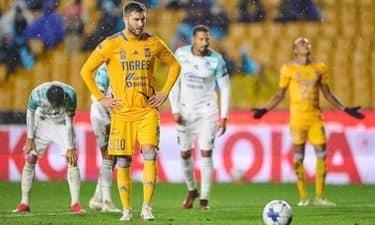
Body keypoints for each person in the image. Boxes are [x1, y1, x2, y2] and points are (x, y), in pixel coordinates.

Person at [80, 1, 181, 221]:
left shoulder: (153, 42)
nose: (141, 23)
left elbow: (175, 65)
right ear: (125, 19)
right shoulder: (111, 44)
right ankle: (126, 210)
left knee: (149, 154)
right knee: (124, 161)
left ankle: (146, 207)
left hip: (147, 111)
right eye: (136, 19)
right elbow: (86, 70)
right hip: (122, 113)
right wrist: (101, 98)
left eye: (143, 18)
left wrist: (164, 92)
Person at [252, 37, 364, 207]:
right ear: (294, 49)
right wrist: (265, 109)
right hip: (297, 120)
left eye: (307, 43)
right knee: (298, 159)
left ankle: (320, 197)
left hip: (315, 119)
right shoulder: (288, 69)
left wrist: (345, 109)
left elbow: (327, 93)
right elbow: (280, 94)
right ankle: (303, 197)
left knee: (322, 156)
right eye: (301, 43)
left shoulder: (319, 68)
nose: (305, 45)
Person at [169, 25, 231, 210]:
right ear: (193, 40)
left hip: (207, 112)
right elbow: (174, 82)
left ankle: (204, 200)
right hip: (185, 112)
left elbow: (225, 88)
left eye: (207, 39)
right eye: (201, 39)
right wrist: (175, 109)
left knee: (206, 153)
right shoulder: (180, 54)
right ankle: (191, 190)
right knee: (185, 153)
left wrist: (224, 116)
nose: (205, 43)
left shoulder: (216, 60)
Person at [13, 81, 85, 213]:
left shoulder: (70, 95)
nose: (56, 107)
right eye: (54, 104)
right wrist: (30, 139)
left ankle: (75, 204)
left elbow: (69, 120)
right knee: (30, 158)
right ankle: (24, 203)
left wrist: (70, 147)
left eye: (59, 104)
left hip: (62, 123)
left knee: (72, 159)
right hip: (42, 121)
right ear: (47, 99)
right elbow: (30, 114)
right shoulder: (37, 94)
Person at [88, 64, 121, 213]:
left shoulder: (128, 62)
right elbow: (97, 94)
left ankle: (97, 198)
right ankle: (106, 202)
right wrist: (108, 120)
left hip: (116, 114)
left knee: (111, 159)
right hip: (101, 113)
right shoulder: (106, 66)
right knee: (109, 156)